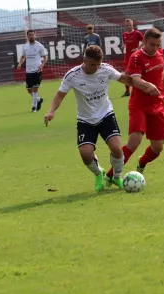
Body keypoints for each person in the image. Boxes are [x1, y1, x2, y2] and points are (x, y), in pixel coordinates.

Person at [43, 46, 137, 191]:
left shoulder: (106, 69)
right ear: (84, 60)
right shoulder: (72, 75)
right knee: (86, 155)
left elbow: (125, 79)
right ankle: (99, 173)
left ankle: (116, 177)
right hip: (85, 120)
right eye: (93, 64)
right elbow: (60, 95)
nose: (97, 67)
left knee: (117, 149)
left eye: (99, 64)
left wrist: (142, 83)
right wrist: (51, 111)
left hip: (106, 114)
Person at [106, 28, 164, 181]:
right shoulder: (136, 57)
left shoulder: (160, 53)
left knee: (157, 148)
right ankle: (111, 175)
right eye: (152, 44)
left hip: (157, 104)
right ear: (144, 41)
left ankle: (142, 161)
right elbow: (135, 80)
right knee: (134, 141)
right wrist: (148, 86)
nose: (155, 48)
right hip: (139, 104)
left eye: (158, 45)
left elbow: (161, 72)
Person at [17, 30, 47, 112]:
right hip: (28, 71)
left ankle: (34, 107)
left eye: (33, 34)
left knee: (35, 88)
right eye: (30, 35)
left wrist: (42, 65)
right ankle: (38, 99)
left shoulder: (39, 46)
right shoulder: (25, 46)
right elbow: (23, 56)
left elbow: (45, 57)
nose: (31, 36)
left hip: (37, 70)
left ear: (35, 35)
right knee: (29, 90)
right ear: (27, 36)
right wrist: (20, 63)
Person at [122, 19, 144, 97]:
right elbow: (124, 42)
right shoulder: (124, 34)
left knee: (139, 74)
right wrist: (124, 45)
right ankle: (127, 91)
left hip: (136, 56)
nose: (128, 27)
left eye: (129, 25)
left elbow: (144, 41)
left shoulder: (137, 33)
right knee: (126, 74)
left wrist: (138, 48)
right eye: (127, 25)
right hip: (127, 57)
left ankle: (142, 89)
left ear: (132, 25)